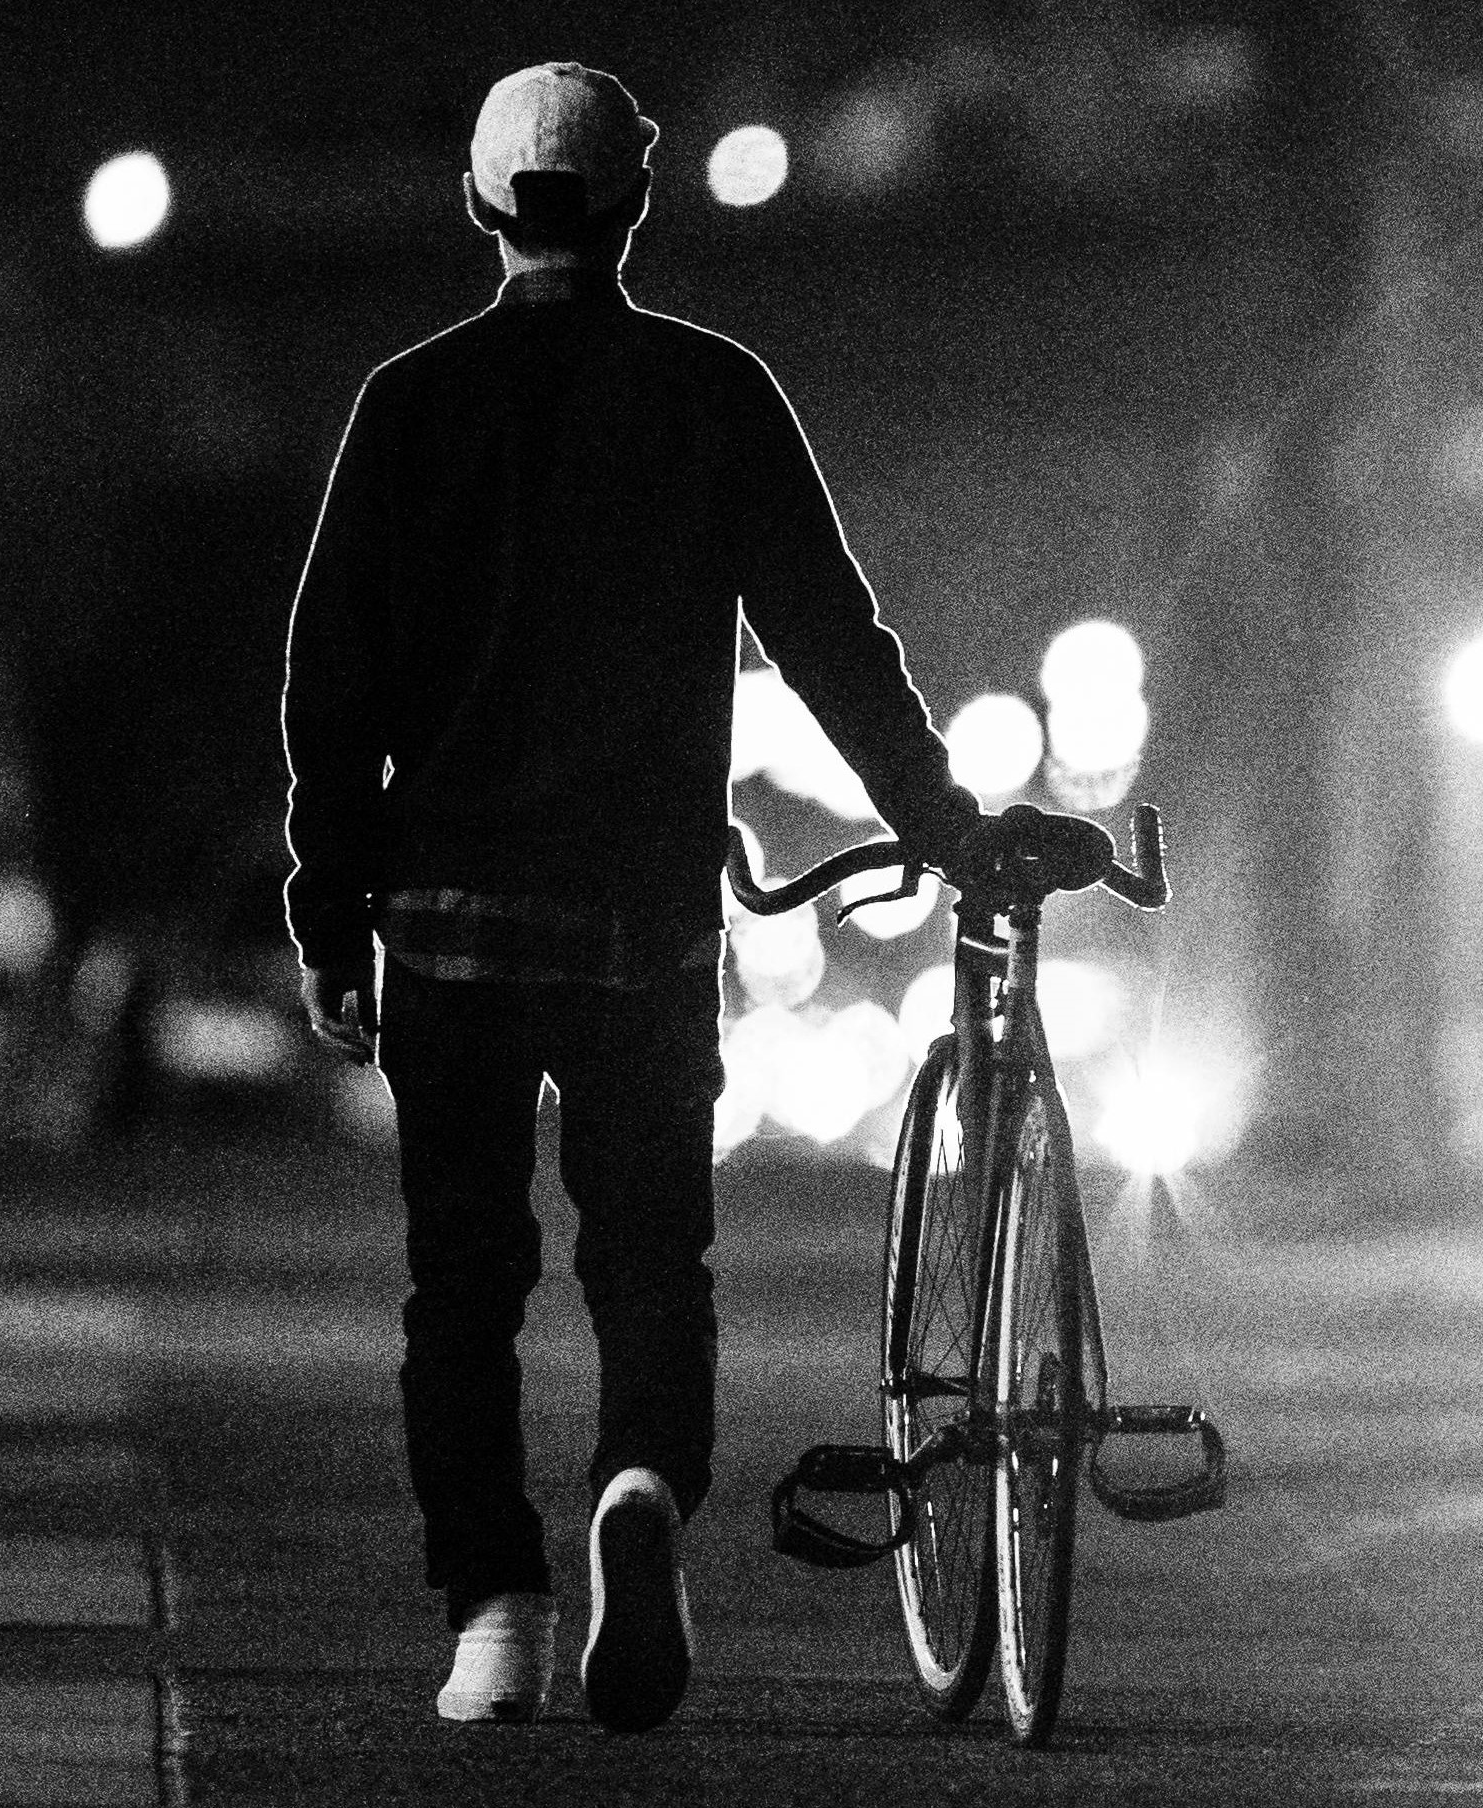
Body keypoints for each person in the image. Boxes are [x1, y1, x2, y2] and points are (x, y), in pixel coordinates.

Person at [283, 61, 983, 1734]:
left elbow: (333, 682)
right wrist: (938, 816)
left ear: (482, 209)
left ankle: (496, 1618)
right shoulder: (714, 394)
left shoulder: (406, 404)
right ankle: (643, 1485)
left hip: (445, 925)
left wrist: (333, 906)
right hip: (640, 929)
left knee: (460, 1283)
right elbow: (829, 633)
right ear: (636, 205)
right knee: (651, 1260)